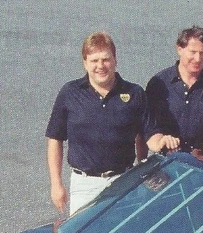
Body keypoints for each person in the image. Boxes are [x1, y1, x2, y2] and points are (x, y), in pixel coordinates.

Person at [46, 32, 179, 215]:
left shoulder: (135, 93)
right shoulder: (70, 93)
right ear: (85, 63)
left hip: (123, 181)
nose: (100, 66)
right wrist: (56, 184)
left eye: (106, 59)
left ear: (115, 60)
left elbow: (150, 135)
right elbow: (55, 138)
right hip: (84, 184)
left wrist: (162, 141)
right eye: (94, 61)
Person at [146, 26, 203, 151]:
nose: (198, 59)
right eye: (193, 52)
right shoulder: (159, 83)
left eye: (202, 53)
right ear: (179, 49)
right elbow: (146, 125)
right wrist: (160, 140)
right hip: (169, 158)